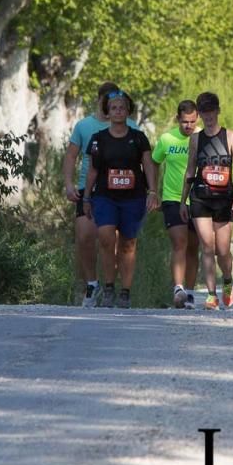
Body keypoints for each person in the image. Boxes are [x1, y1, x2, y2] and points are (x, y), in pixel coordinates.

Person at [64, 82, 139, 308]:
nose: (112, 109)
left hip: (120, 191)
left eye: (117, 105)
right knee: (85, 238)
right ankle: (92, 284)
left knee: (114, 242)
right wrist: (68, 184)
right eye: (108, 104)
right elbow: (70, 157)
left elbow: (143, 157)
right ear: (100, 102)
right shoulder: (84, 126)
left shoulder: (131, 126)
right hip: (88, 189)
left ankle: (113, 287)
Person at [84, 90, 159, 308]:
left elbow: (148, 166)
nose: (118, 111)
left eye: (122, 108)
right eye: (114, 108)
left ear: (128, 111)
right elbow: (92, 171)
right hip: (105, 197)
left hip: (133, 198)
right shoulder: (98, 139)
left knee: (128, 243)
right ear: (107, 112)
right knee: (106, 238)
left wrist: (153, 192)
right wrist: (86, 198)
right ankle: (108, 287)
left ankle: (125, 291)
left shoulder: (138, 138)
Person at [180, 92, 233, 311]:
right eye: (204, 112)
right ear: (200, 114)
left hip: (224, 199)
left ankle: (227, 279)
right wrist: (183, 201)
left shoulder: (230, 136)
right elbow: (190, 170)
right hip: (200, 198)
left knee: (222, 250)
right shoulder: (196, 139)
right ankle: (211, 295)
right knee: (206, 247)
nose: (208, 116)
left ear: (217, 111)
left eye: (211, 111)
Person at [152, 100, 201, 309]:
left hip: (198, 199)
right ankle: (178, 288)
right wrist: (153, 191)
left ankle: (189, 292)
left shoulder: (203, 138)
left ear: (197, 118)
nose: (188, 126)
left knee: (194, 247)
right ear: (177, 119)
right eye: (184, 122)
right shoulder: (166, 139)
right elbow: (154, 162)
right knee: (179, 243)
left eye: (191, 121)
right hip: (172, 198)